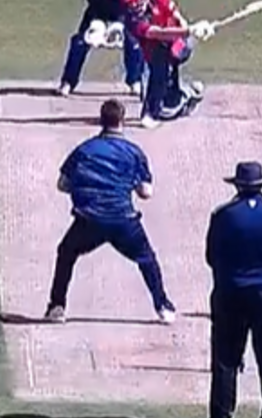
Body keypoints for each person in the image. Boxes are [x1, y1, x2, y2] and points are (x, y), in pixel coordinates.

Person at [44, 98, 178, 324]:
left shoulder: (84, 150)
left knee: (66, 252)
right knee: (146, 258)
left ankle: (57, 307)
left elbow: (62, 184)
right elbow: (146, 192)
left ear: (101, 121)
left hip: (89, 219)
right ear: (122, 121)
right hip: (123, 219)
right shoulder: (134, 152)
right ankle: (163, 306)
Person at [203, 161, 262, 418]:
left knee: (226, 356)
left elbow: (211, 256)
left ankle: (220, 417)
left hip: (231, 292)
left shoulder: (223, 216)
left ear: (238, 186)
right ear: (261, 185)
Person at [121, 0, 211, 129]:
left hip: (176, 42)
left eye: (137, 0)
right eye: (131, 3)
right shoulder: (132, 20)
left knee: (175, 62)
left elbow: (174, 13)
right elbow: (157, 33)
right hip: (154, 46)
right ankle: (150, 113)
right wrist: (187, 31)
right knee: (159, 72)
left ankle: (185, 93)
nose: (135, 5)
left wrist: (190, 28)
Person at [57, 0, 145, 96]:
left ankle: (135, 81)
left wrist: (119, 26)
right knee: (78, 42)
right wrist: (98, 28)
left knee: (134, 43)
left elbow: (130, 8)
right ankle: (68, 81)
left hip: (124, 14)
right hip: (98, 14)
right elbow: (96, 7)